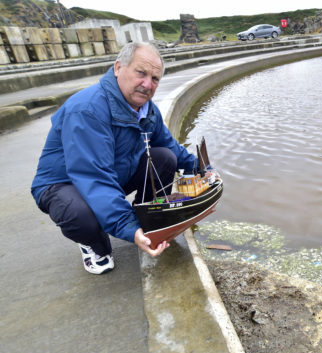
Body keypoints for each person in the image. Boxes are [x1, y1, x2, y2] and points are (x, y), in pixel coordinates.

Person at [31, 42, 198, 275]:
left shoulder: (147, 109)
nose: (147, 84)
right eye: (141, 73)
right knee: (80, 214)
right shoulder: (87, 110)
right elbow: (94, 177)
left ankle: (148, 222)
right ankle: (94, 245)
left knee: (164, 158)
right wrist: (127, 227)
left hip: (109, 173)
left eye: (155, 78)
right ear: (118, 68)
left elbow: (168, 145)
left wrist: (200, 167)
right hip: (63, 184)